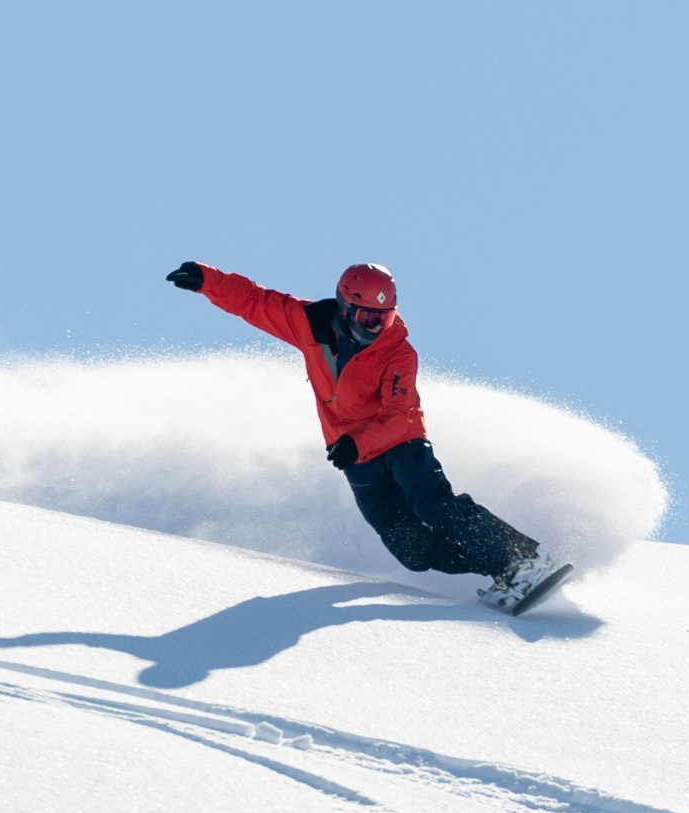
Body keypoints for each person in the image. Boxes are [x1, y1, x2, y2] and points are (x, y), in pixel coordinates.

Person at [166, 259, 560, 610]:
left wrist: (356, 442)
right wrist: (206, 280)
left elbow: (398, 414)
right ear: (345, 307)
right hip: (356, 458)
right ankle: (501, 570)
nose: (375, 327)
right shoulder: (311, 323)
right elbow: (255, 302)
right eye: (368, 318)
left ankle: (525, 557)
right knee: (412, 551)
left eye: (383, 318)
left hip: (401, 442)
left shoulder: (398, 353)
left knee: (435, 507)